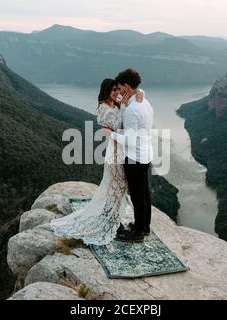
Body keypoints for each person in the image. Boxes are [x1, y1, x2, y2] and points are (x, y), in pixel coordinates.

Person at [49, 78, 144, 245]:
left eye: (118, 89)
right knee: (116, 188)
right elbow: (120, 124)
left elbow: (125, 113)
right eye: (113, 90)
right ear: (106, 91)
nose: (117, 93)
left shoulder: (114, 104)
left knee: (117, 188)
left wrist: (137, 96)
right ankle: (113, 222)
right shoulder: (104, 108)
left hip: (120, 151)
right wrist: (125, 107)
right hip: (116, 154)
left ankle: (112, 218)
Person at [103, 68, 154, 243]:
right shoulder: (144, 102)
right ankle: (144, 226)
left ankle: (138, 232)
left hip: (135, 157)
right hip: (146, 153)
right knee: (144, 193)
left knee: (137, 195)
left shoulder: (132, 109)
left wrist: (110, 134)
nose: (118, 91)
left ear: (126, 86)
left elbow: (130, 140)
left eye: (119, 87)